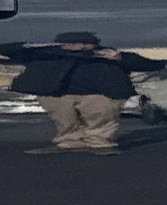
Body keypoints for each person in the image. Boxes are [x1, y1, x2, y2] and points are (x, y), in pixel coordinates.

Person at [11, 29, 140, 154]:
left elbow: (143, 64)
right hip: (57, 93)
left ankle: (100, 143)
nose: (80, 46)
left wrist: (119, 57)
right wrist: (31, 46)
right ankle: (69, 143)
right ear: (63, 44)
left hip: (101, 93)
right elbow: (9, 52)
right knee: (65, 121)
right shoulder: (48, 54)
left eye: (85, 43)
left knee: (100, 119)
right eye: (74, 43)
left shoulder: (107, 54)